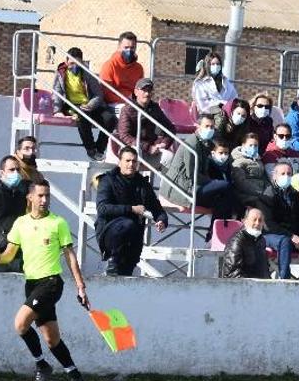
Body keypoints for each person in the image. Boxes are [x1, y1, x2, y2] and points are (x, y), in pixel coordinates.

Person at [0, 181, 89, 381]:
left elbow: (70, 256)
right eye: (41, 196)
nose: (44, 200)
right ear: (30, 197)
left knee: (20, 324)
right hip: (31, 284)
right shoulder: (21, 223)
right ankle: (74, 375)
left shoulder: (58, 223)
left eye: (47, 196)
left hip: (51, 283)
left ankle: (42, 365)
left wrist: (80, 286)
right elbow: (9, 253)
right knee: (51, 338)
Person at [95, 146, 168, 276]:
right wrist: (131, 209)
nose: (131, 164)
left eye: (134, 161)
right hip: (110, 231)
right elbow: (102, 208)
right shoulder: (107, 180)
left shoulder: (142, 184)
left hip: (134, 237)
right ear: (120, 162)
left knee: (127, 272)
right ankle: (111, 266)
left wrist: (161, 220)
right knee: (127, 224)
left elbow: (157, 208)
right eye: (127, 161)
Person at [161, 113, 241, 219]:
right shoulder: (192, 144)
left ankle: (215, 232)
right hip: (183, 189)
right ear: (198, 127)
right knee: (225, 186)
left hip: (193, 187)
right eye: (206, 126)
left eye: (212, 127)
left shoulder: (204, 142)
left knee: (222, 201)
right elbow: (192, 175)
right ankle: (241, 215)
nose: (210, 129)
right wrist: (213, 182)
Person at [259, 162, 299, 281]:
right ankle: (285, 279)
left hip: (294, 236)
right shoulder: (267, 195)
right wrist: (291, 236)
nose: (286, 176)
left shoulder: (295, 194)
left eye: (289, 174)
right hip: (272, 235)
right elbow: (269, 224)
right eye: (283, 174)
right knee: (285, 242)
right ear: (275, 176)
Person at [51, 49, 115, 161]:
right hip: (72, 106)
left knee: (110, 119)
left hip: (90, 105)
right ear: (66, 62)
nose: (75, 66)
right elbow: (57, 93)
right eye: (71, 63)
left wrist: (90, 105)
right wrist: (57, 111)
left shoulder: (88, 74)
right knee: (82, 116)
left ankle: (99, 149)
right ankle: (91, 149)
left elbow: (98, 94)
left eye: (78, 63)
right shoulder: (60, 74)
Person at [115, 78, 176, 166]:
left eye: (149, 91)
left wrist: (163, 143)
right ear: (136, 92)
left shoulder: (155, 108)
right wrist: (147, 147)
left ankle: (165, 180)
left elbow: (170, 128)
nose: (147, 94)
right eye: (144, 90)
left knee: (168, 157)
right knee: (135, 152)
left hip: (151, 149)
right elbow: (124, 135)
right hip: (131, 149)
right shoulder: (127, 109)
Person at [219, 206, 271, 279]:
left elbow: (265, 269)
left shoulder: (261, 240)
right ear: (244, 221)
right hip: (243, 287)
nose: (257, 223)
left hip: (261, 287)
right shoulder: (237, 241)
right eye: (254, 220)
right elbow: (232, 273)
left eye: (260, 220)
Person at [99, 31, 143, 105]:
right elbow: (106, 93)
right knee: (130, 112)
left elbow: (141, 90)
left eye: (132, 48)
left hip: (134, 103)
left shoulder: (139, 68)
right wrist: (127, 101)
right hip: (115, 104)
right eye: (126, 47)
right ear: (119, 47)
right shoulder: (109, 65)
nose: (129, 50)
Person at [191, 49, 237, 118]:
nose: (216, 66)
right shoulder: (200, 83)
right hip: (206, 116)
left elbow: (234, 98)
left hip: (226, 116)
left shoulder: (226, 82)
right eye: (213, 64)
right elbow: (202, 105)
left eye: (218, 64)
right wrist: (218, 107)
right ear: (208, 65)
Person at [230, 132, 270, 206]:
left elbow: (264, 178)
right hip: (248, 194)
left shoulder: (258, 160)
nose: (253, 148)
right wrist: (260, 193)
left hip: (262, 192)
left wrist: (269, 191)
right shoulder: (238, 162)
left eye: (255, 145)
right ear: (243, 145)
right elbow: (241, 182)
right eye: (250, 145)